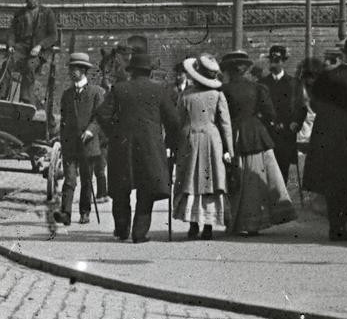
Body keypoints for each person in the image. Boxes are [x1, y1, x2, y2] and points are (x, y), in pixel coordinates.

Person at [93, 48, 182, 243]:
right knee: (147, 189)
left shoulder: (119, 89)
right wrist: (170, 142)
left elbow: (102, 114)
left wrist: (114, 133)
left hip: (122, 146)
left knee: (121, 189)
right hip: (150, 147)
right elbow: (174, 121)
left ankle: (121, 229)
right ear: (150, 72)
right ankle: (139, 233)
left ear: (131, 70)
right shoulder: (159, 90)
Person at [220, 49, 294, 235]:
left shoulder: (224, 90)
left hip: (234, 134)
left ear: (229, 70)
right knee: (256, 179)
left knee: (237, 178)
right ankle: (254, 222)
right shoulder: (258, 88)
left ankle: (237, 221)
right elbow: (270, 114)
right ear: (245, 69)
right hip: (256, 135)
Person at [309, 35, 347, 239]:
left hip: (325, 137)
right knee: (346, 185)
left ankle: (334, 226)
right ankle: (340, 228)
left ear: (344, 55)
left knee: (331, 186)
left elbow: (313, 103)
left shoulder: (326, 76)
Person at [174, 54, 231, 239]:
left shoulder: (186, 95)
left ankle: (193, 224)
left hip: (190, 138)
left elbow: (178, 121)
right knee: (210, 180)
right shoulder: (217, 95)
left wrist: (174, 144)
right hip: (212, 141)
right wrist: (229, 149)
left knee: (191, 180)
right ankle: (208, 225)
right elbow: (225, 124)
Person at [55, 50, 108, 226]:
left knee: (86, 180)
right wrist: (62, 141)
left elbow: (100, 117)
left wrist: (91, 130)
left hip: (88, 144)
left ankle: (85, 212)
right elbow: (63, 120)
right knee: (69, 179)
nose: (71, 72)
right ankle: (65, 213)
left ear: (83, 70)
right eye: (70, 69)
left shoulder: (96, 92)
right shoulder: (67, 95)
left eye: (75, 69)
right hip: (70, 145)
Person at [257, 44, 300, 201]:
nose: (274, 63)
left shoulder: (293, 83)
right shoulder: (263, 83)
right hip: (268, 131)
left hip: (286, 133)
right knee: (266, 165)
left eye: (278, 60)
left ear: (283, 62)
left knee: (283, 165)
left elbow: (300, 108)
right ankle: (268, 198)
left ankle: (282, 199)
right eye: (272, 60)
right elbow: (258, 107)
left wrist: (295, 123)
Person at [7, 0, 60, 104]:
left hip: (38, 51)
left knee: (30, 66)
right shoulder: (20, 13)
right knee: (7, 62)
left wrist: (40, 46)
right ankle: (2, 95)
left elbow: (53, 36)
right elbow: (12, 32)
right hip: (21, 48)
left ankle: (25, 99)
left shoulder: (47, 13)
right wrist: (10, 45)